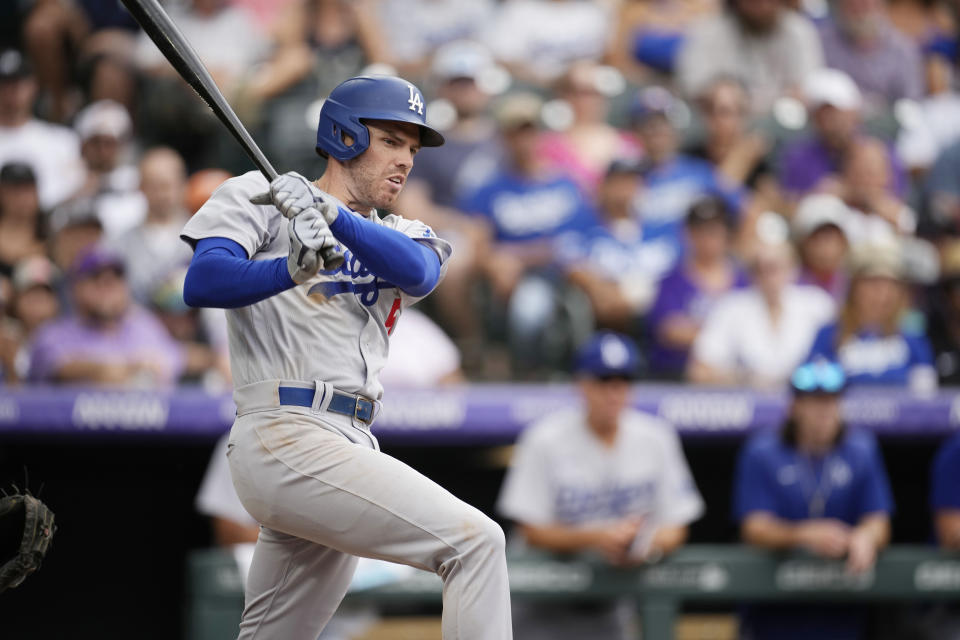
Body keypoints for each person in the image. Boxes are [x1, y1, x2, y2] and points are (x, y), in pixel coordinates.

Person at [180, 74, 511, 640]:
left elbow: (419, 273)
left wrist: (335, 217)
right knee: (476, 542)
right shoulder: (258, 195)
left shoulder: (404, 230)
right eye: (391, 140)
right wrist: (289, 268)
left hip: (348, 437)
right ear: (345, 136)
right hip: (283, 430)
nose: (405, 160)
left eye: (412, 148)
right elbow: (204, 281)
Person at [497, 331, 705, 640]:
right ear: (581, 384)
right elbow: (531, 528)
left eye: (623, 381)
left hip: (609, 607)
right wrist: (599, 537)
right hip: (543, 603)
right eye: (603, 380)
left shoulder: (656, 437)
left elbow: (677, 524)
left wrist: (642, 544)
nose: (613, 391)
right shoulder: (545, 438)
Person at [733, 359, 894, 640]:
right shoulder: (763, 451)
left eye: (832, 400)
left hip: (841, 615)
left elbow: (879, 521)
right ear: (794, 406)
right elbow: (754, 528)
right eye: (814, 401)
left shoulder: (861, 449)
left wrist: (864, 537)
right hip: (775, 616)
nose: (825, 411)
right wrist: (804, 534)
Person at [688, 218, 836, 388]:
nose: (769, 276)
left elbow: (836, 362)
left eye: (776, 267)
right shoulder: (731, 307)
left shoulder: (818, 304)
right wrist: (743, 378)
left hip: (807, 400)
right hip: (749, 401)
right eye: (761, 268)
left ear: (793, 268)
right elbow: (699, 370)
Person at [27, 244, 185, 386]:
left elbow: (173, 360)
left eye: (115, 277)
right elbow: (56, 366)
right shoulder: (53, 333)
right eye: (96, 277)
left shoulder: (144, 325)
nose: (107, 286)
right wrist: (112, 369)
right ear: (75, 288)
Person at [805, 242, 937, 391]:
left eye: (890, 285)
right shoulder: (828, 336)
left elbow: (925, 400)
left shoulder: (913, 340)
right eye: (873, 283)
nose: (882, 294)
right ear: (853, 288)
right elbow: (813, 391)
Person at [646, 195, 748, 379]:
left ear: (727, 233)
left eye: (714, 230)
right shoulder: (671, 281)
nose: (707, 238)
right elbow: (671, 331)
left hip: (737, 375)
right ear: (688, 233)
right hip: (677, 377)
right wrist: (728, 334)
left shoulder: (744, 280)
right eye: (700, 230)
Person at [676, 0, 823, 114]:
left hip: (781, 124)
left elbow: (809, 88)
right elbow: (691, 84)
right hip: (722, 123)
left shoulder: (799, 31)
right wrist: (721, 92)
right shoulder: (708, 29)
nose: (762, 5)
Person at [818, 0, 924, 108]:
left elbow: (911, 103)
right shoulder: (820, 43)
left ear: (880, 6)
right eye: (852, 6)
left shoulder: (903, 49)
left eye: (865, 5)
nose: (860, 13)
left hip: (888, 121)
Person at [793, 193, 852, 303]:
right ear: (803, 244)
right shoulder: (789, 284)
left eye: (832, 239)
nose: (826, 248)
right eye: (818, 239)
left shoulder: (854, 285)